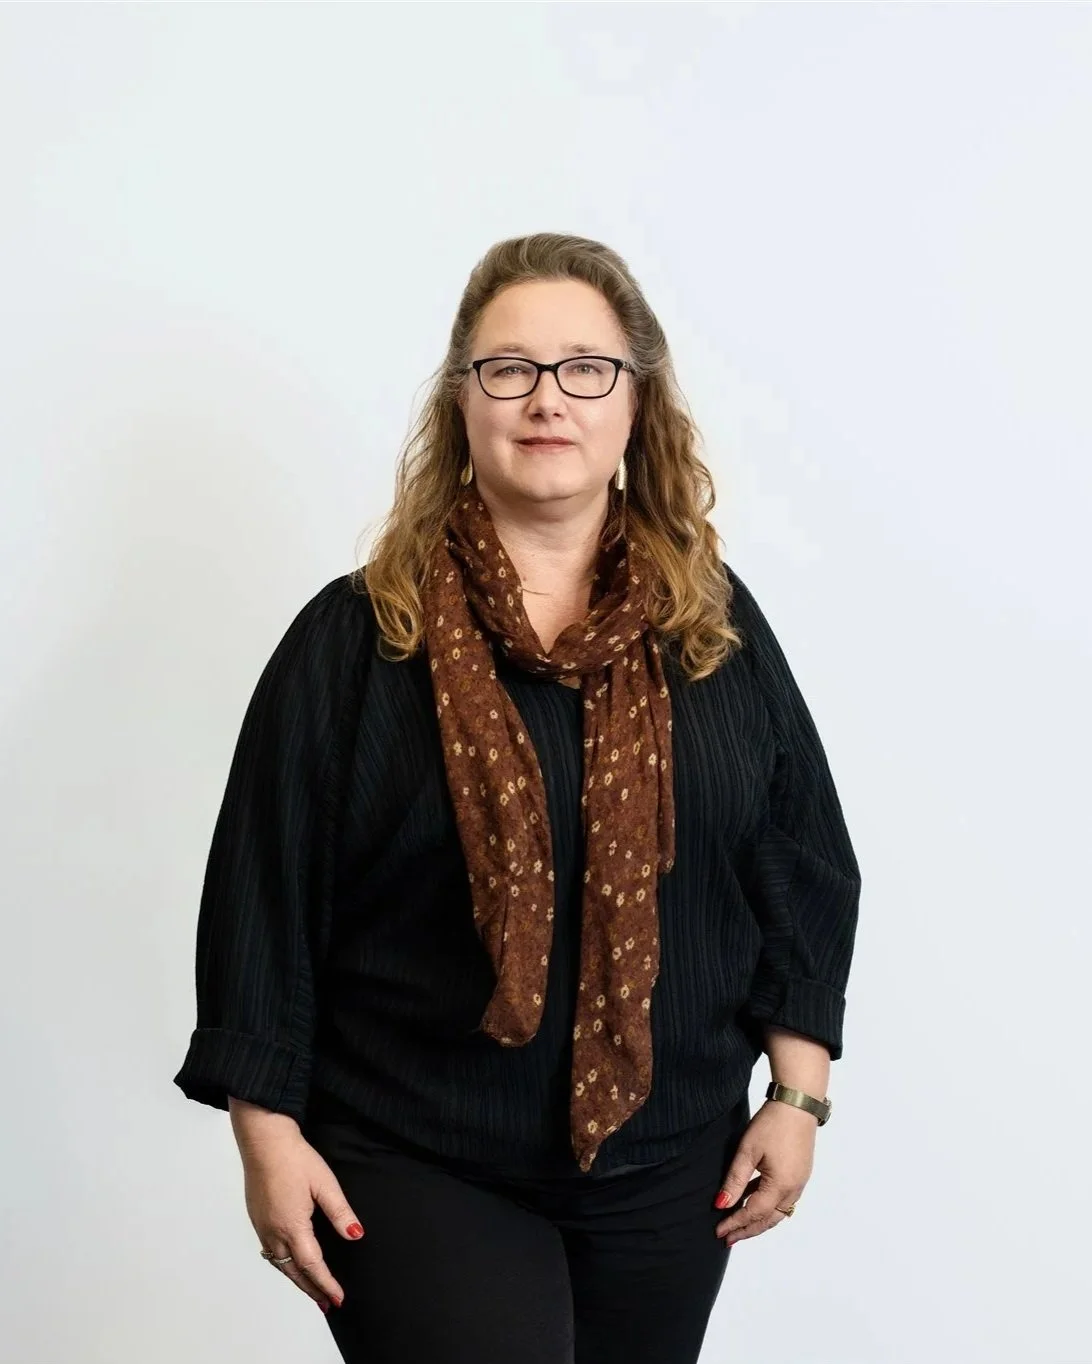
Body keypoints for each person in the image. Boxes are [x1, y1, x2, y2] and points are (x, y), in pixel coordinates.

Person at [174, 232, 862, 1364]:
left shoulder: (712, 627)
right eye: (510, 368)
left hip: (672, 1161)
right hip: (413, 1153)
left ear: (636, 403)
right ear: (462, 404)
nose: (548, 398)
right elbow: (264, 894)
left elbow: (799, 858)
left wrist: (800, 1094)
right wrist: (265, 1132)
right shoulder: (355, 640)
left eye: (585, 367)